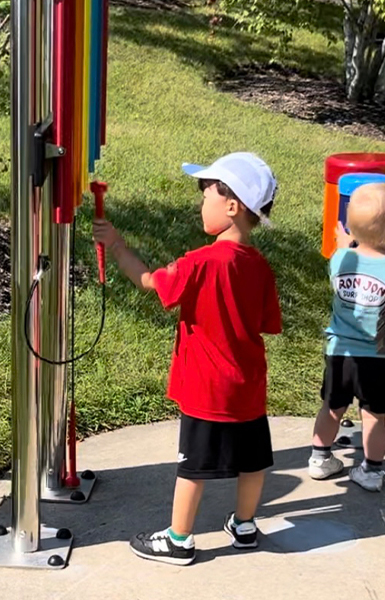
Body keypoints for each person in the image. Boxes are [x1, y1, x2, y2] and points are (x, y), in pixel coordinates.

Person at [93, 152, 282, 565]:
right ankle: (245, 525)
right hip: (248, 384)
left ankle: (179, 539)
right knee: (253, 461)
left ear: (231, 207)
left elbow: (148, 282)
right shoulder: (261, 266)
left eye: (206, 195)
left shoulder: (200, 262)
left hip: (207, 388)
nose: (201, 203)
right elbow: (266, 322)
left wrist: (116, 244)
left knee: (193, 466)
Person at [308, 182, 385, 492]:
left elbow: (343, 251)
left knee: (331, 407)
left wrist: (346, 242)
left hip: (339, 353)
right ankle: (371, 471)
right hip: (380, 355)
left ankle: (319, 459)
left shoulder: (339, 260)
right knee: (374, 417)